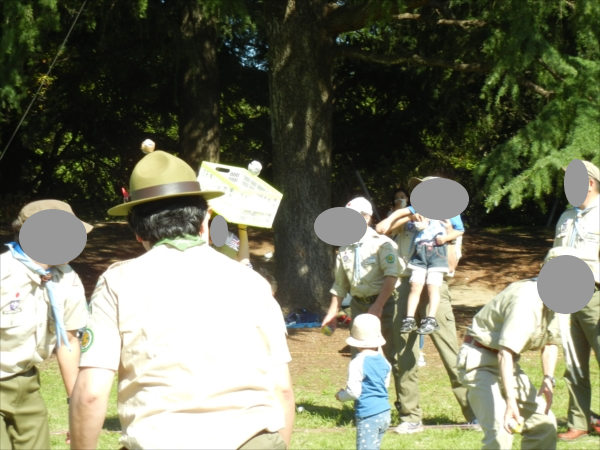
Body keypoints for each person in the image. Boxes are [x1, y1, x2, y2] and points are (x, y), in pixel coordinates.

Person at [69, 150, 295, 450]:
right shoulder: (253, 283)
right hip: (254, 441)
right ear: (204, 221)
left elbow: (91, 393)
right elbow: (282, 389)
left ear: (138, 231)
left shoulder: (118, 282)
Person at [376, 175, 477, 433]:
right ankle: (411, 417)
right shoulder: (407, 216)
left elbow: (452, 264)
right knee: (404, 354)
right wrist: (403, 216)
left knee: (450, 354)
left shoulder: (449, 219)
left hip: (434, 289)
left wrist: (441, 236)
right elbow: (382, 230)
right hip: (407, 287)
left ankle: (475, 414)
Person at [1, 200, 92, 450]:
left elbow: (69, 341)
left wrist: (76, 406)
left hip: (26, 385)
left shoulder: (67, 279)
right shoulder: (4, 272)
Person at [456, 250, 567, 449]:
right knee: (501, 430)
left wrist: (548, 378)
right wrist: (511, 402)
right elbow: (504, 353)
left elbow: (550, 342)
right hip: (480, 360)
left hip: (507, 363)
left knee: (545, 425)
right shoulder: (526, 300)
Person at [322, 197, 401, 408]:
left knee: (394, 356)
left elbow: (392, 277)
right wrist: (332, 313)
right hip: (359, 306)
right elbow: (340, 286)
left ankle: (406, 410)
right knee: (359, 355)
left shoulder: (382, 244)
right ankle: (363, 407)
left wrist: (379, 305)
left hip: (386, 304)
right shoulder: (345, 248)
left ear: (366, 218)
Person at [554, 160, 600, 441]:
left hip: (595, 295)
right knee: (574, 363)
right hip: (566, 295)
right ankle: (578, 422)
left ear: (590, 183)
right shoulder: (565, 217)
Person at [335, 314, 392, 450]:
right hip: (385, 412)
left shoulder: (357, 362)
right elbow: (385, 385)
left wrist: (341, 396)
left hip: (369, 414)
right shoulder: (384, 361)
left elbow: (354, 392)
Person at [399, 217, 459, 335]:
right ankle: (409, 318)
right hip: (420, 250)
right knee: (415, 285)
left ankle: (431, 319)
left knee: (433, 285)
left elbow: (460, 229)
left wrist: (447, 236)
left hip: (438, 250)